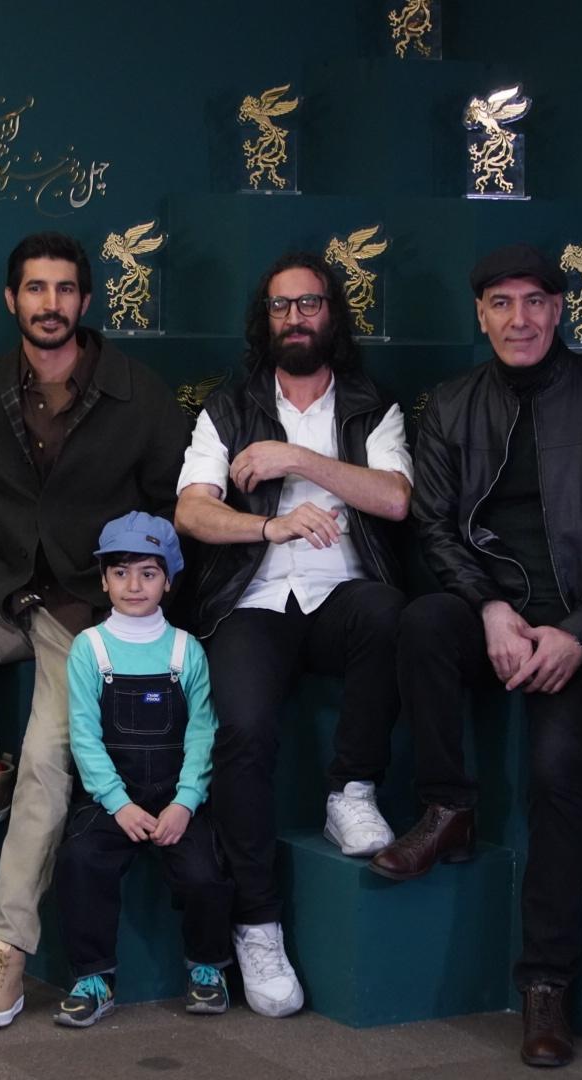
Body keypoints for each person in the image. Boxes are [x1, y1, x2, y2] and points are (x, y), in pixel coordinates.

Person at [379, 243, 582, 1067]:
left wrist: (580, 629)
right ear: (480, 315)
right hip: (492, 612)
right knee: (422, 622)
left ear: (560, 309)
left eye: (535, 301)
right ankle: (449, 807)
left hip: (579, 621)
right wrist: (491, 607)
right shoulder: (452, 402)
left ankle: (545, 985)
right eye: (501, 304)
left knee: (557, 772)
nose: (520, 319)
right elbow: (434, 525)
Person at [0, 232, 186, 1028]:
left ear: (86, 301)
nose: (50, 303)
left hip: (87, 615)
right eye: (35, 288)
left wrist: (133, 595)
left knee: (46, 763)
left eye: (64, 289)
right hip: (7, 592)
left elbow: (172, 512)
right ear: (12, 299)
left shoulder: (140, 394)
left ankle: (6, 951)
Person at [173, 251, 410, 1017]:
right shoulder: (229, 405)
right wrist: (269, 525)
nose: (296, 318)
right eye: (281, 306)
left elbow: (395, 499)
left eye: (309, 304)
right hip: (254, 599)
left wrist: (297, 458)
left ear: (331, 314)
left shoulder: (371, 405)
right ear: (264, 320)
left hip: (342, 594)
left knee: (389, 613)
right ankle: (257, 922)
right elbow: (192, 511)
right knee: (243, 728)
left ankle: (351, 789)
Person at [50, 512, 233, 1027]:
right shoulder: (89, 648)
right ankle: (94, 978)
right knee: (80, 860)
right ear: (103, 579)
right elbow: (84, 735)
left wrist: (185, 802)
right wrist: (118, 803)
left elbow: (203, 732)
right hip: (113, 797)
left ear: (168, 580)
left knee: (206, 872)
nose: (134, 585)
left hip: (176, 795)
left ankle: (208, 967)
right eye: (121, 572)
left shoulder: (186, 649)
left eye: (148, 573)